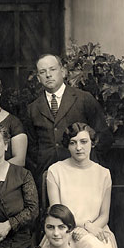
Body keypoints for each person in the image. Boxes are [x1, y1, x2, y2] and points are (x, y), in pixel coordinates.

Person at [26, 54, 113, 191]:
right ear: (38, 78)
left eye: (52, 69)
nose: (48, 75)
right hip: (48, 176)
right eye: (43, 72)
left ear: (63, 71)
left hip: (82, 175)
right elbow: (31, 147)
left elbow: (103, 136)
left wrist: (87, 162)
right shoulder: (33, 108)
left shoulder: (83, 99)